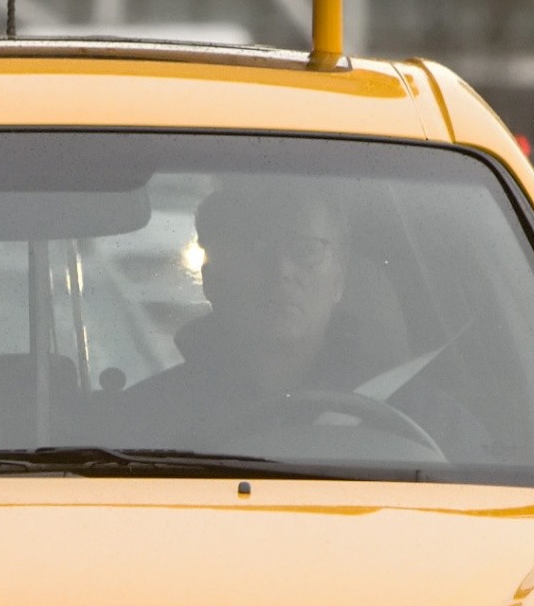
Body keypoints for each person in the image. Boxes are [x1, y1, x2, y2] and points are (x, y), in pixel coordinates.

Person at [113, 179, 372, 445]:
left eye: (306, 250)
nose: (281, 271)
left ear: (340, 279)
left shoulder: (388, 400)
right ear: (212, 279)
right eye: (257, 249)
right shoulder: (139, 425)